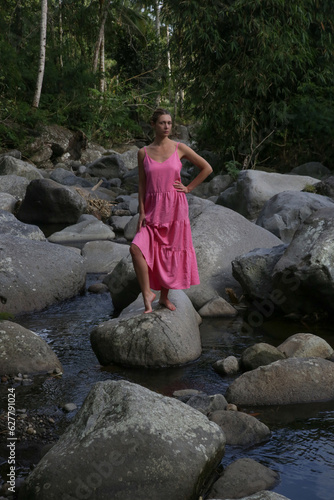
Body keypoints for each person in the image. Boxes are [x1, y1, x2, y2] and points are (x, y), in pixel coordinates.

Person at [130, 108, 213, 313]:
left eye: (169, 123)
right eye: (162, 123)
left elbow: (207, 168)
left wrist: (188, 188)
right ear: (153, 125)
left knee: (168, 251)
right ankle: (147, 292)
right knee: (136, 248)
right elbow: (142, 184)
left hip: (175, 208)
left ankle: (163, 298)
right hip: (152, 209)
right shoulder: (143, 153)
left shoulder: (179, 148)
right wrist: (141, 211)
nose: (167, 126)